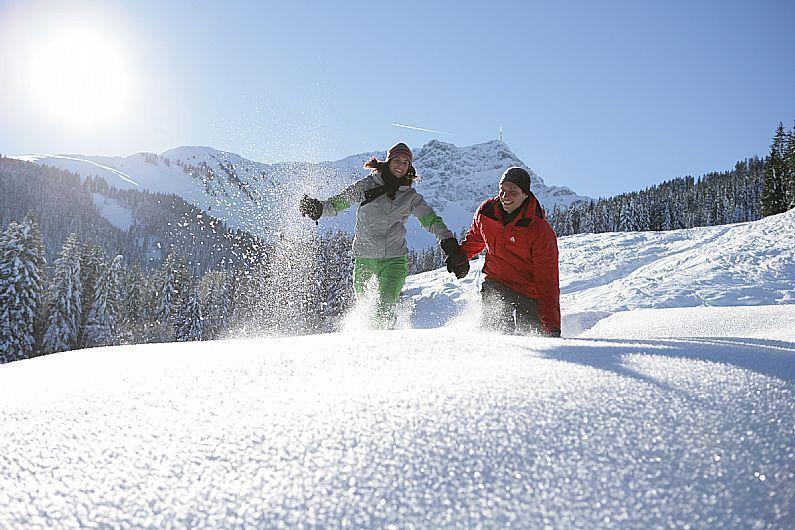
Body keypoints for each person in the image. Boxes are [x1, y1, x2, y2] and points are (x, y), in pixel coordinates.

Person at [299, 142, 469, 327]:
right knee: (366, 307)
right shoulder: (367, 185)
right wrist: (319, 209)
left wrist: (450, 244)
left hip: (395, 259)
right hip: (365, 257)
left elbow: (431, 220)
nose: (400, 165)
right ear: (388, 162)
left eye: (405, 162)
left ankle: (384, 345)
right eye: (397, 160)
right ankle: (363, 342)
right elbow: (340, 202)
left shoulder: (410, 196)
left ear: (409, 167)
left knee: (384, 309)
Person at [459, 167, 561, 337]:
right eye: (503, 191)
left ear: (525, 194)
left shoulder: (539, 229)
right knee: (496, 332)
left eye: (512, 192)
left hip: (529, 292)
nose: (505, 197)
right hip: (497, 283)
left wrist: (552, 326)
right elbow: (476, 237)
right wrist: (461, 257)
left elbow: (547, 280)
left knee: (531, 336)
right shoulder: (487, 212)